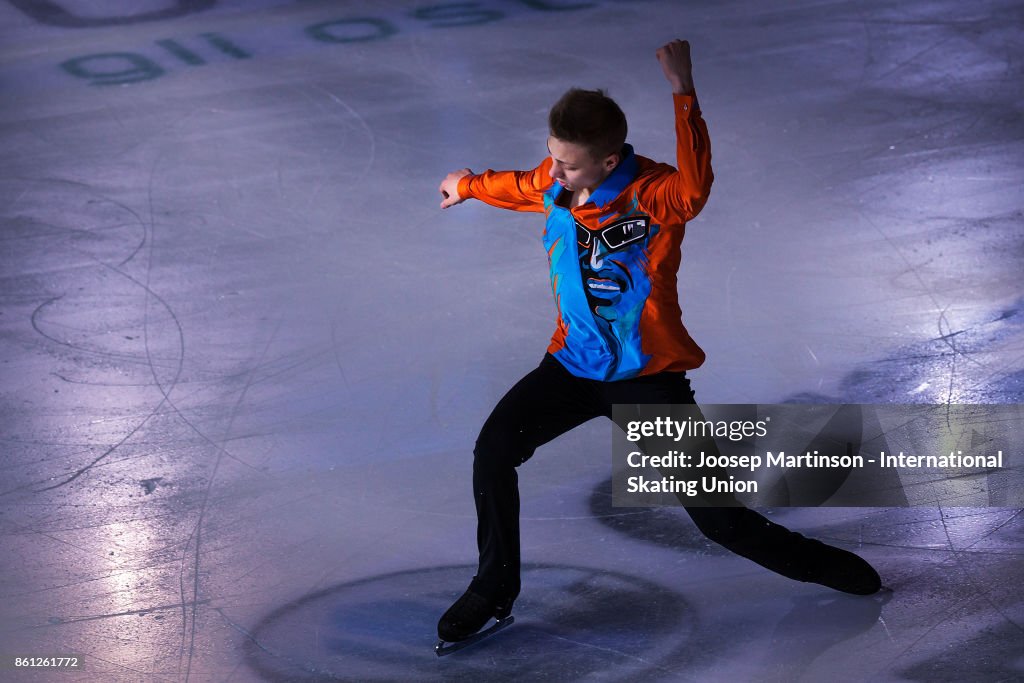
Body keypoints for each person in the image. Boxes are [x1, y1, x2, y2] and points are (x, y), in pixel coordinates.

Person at [435, 39, 881, 645]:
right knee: (492, 454)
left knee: (721, 525)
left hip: (649, 383)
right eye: (553, 158)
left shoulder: (655, 193)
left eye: (567, 164)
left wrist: (683, 93)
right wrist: (466, 184)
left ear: (610, 157)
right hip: (570, 368)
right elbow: (517, 184)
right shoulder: (555, 179)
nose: (554, 173)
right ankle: (493, 588)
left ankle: (830, 568)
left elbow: (696, 188)